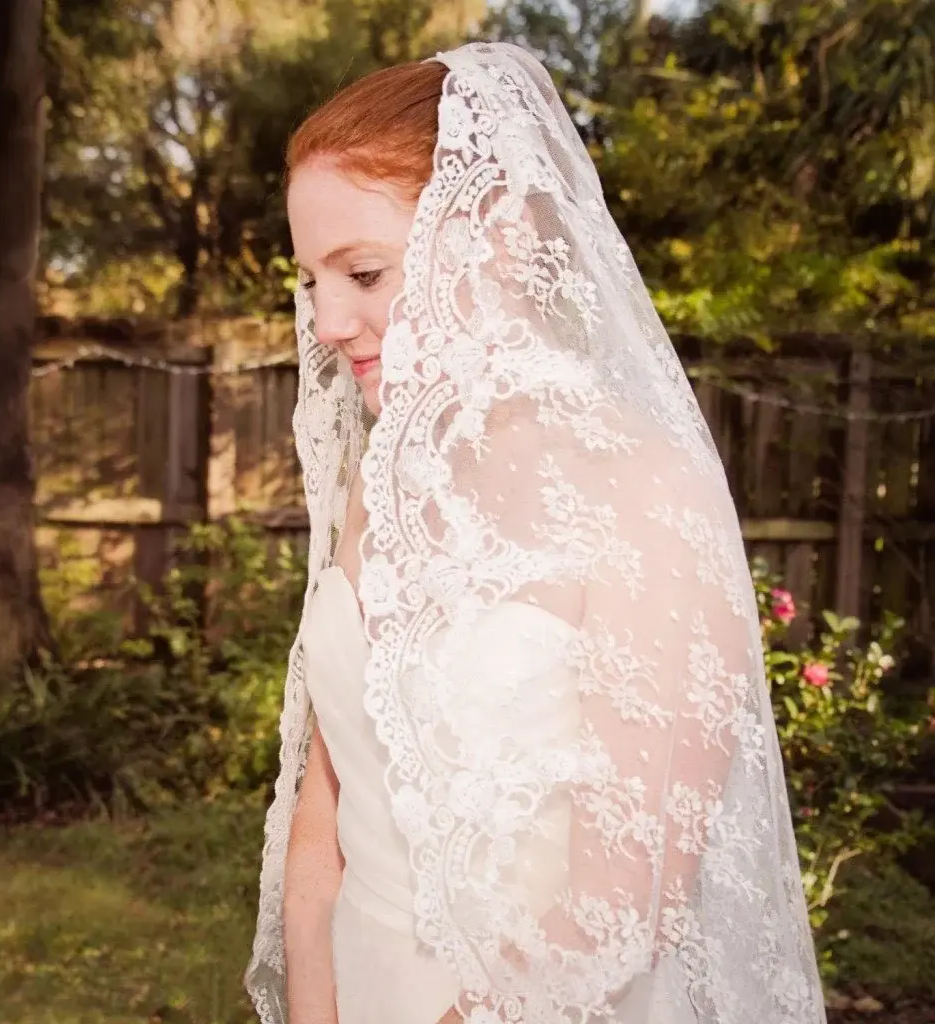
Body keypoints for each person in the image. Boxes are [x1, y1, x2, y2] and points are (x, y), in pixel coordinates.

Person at [246, 41, 826, 1024]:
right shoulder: (374, 487)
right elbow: (321, 816)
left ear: (502, 237)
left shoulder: (644, 493)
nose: (330, 320)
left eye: (364, 271)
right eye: (311, 281)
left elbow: (620, 904)